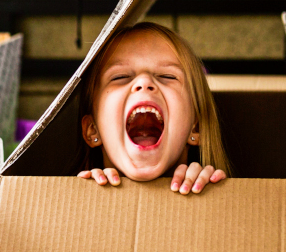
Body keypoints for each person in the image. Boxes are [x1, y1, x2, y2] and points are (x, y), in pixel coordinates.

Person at [77, 22, 231, 194]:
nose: (144, 82)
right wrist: (89, 194)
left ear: (196, 127)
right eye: (120, 77)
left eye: (168, 76)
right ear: (92, 130)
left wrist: (214, 193)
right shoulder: (75, 198)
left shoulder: (214, 188)